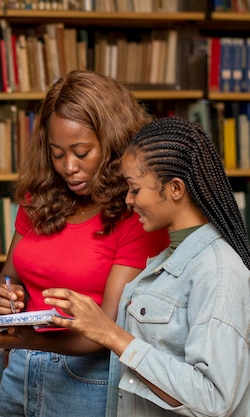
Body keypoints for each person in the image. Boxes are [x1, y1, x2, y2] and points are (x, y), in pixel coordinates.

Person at [0, 70, 169, 417]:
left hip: (87, 379)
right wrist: (6, 295)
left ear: (113, 144)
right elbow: (10, 273)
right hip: (20, 369)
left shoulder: (137, 213)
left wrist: (27, 338)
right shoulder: (39, 196)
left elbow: (107, 330)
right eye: (57, 152)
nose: (69, 167)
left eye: (82, 152)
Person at [43, 116, 250, 417]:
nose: (128, 200)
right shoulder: (167, 259)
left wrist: (113, 336)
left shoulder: (219, 273)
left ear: (175, 189)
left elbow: (214, 399)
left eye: (135, 189)